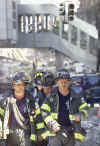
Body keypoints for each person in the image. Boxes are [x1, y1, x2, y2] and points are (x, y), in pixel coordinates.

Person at [41, 69, 88, 146]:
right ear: (57, 82)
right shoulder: (51, 96)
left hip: (72, 132)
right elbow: (43, 111)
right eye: (61, 81)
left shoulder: (76, 96)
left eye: (66, 81)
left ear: (69, 82)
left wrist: (80, 114)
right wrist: (51, 123)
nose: (63, 83)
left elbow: (85, 108)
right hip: (56, 132)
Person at [0, 72, 35, 146]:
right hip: (9, 135)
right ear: (13, 86)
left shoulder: (31, 100)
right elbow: (0, 117)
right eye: (18, 84)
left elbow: (37, 118)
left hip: (26, 135)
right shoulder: (6, 100)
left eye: (22, 84)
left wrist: (38, 134)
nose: (20, 87)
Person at [30, 71, 55, 146]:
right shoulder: (37, 99)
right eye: (47, 87)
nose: (49, 89)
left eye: (51, 87)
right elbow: (34, 119)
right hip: (41, 134)